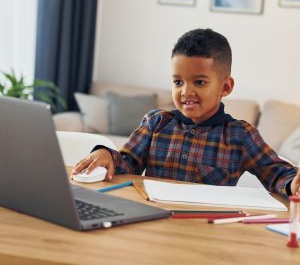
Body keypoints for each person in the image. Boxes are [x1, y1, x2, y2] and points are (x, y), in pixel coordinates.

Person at [72, 28, 300, 197]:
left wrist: (293, 183)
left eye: (199, 82)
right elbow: (127, 163)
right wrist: (105, 154)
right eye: (178, 82)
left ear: (225, 87)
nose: (186, 91)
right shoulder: (156, 123)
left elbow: (277, 173)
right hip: (152, 224)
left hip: (206, 230)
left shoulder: (240, 135)